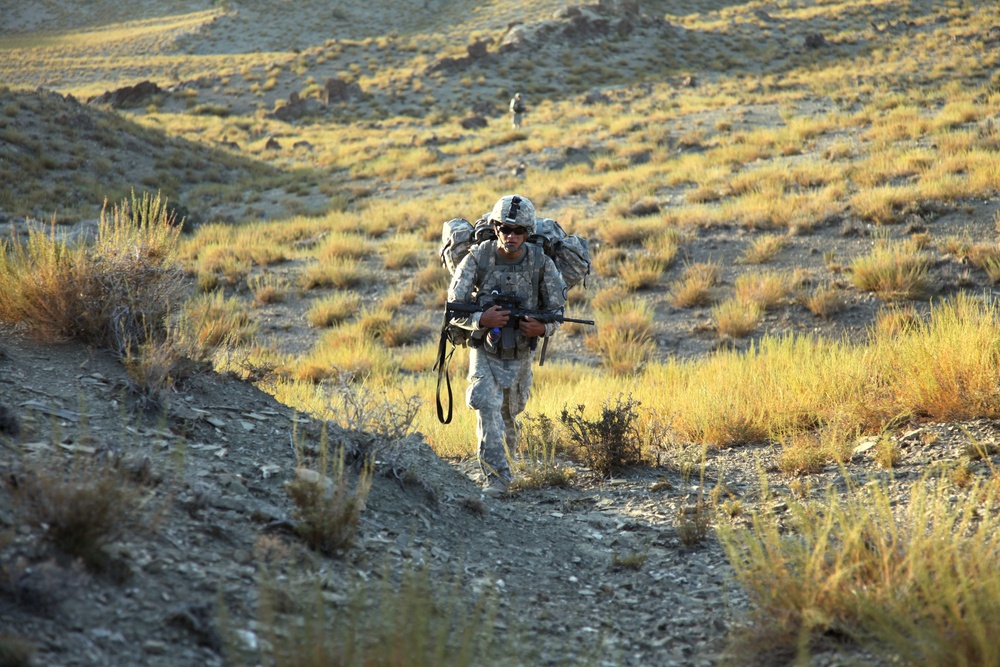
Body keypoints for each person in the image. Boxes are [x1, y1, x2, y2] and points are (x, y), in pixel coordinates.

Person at [447, 195, 567, 497]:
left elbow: (557, 311)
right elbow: (452, 307)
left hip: (521, 350)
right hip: (485, 349)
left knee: (510, 412)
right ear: (495, 227)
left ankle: (508, 468)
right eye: (504, 229)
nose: (511, 236)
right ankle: (496, 478)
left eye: (519, 231)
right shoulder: (477, 257)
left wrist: (543, 326)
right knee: (485, 404)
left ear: (528, 232)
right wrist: (480, 319)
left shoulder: (541, 262)